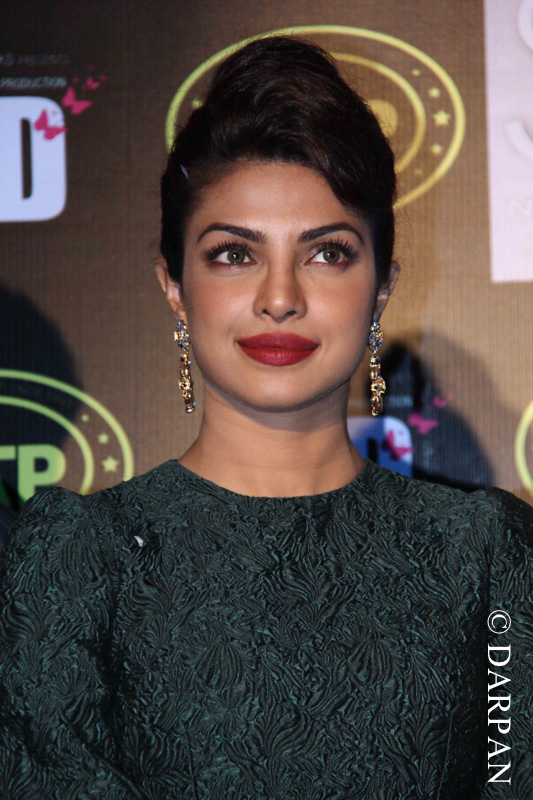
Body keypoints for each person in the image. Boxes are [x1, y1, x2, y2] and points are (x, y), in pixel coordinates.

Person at [0, 35, 532, 800]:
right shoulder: (78, 560)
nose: (279, 297)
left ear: (381, 288)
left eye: (326, 253)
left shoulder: (483, 556)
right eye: (233, 254)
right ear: (174, 287)